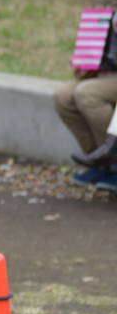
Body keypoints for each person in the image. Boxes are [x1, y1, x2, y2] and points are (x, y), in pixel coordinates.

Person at [64, 12, 117, 190]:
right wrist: (86, 63)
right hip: (105, 75)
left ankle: (112, 161)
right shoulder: (108, 14)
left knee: (87, 94)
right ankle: (101, 164)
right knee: (63, 96)